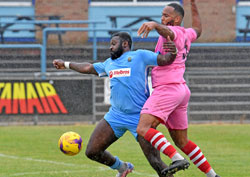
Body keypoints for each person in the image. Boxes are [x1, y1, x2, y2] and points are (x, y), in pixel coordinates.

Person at [53, 32, 177, 177]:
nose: (110, 47)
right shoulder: (109, 63)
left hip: (141, 118)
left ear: (125, 44)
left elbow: (166, 59)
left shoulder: (140, 56)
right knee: (92, 151)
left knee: (156, 162)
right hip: (116, 116)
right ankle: (122, 167)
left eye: (113, 44)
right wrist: (66, 64)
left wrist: (173, 51)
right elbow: (88, 67)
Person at [136, 1, 220, 177]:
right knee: (182, 141)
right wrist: (194, 4)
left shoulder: (173, 31)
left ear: (176, 19)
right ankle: (213, 175)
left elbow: (167, 31)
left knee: (143, 128)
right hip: (180, 90)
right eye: (161, 15)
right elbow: (198, 28)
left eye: (166, 15)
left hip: (167, 89)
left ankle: (176, 158)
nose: (162, 18)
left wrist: (155, 25)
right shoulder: (187, 33)